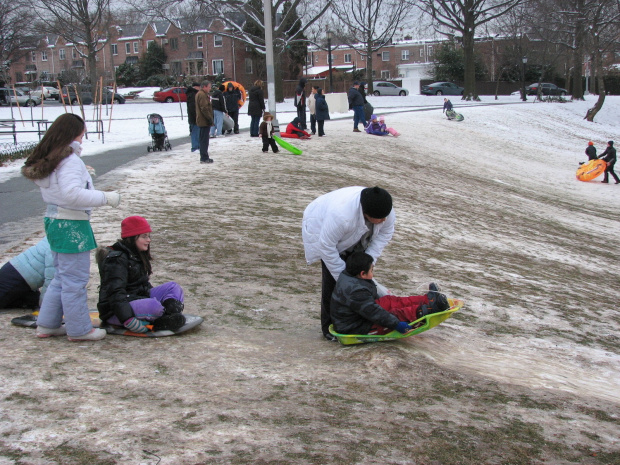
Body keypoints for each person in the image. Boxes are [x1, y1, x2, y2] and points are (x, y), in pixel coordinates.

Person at [21, 113, 121, 341]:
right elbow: (71, 194)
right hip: (72, 225)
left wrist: (84, 176)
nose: (84, 138)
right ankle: (80, 329)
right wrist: (106, 197)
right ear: (74, 134)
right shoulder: (70, 161)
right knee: (75, 279)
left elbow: (62, 187)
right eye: (82, 133)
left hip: (56, 222)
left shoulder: (54, 159)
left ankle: (47, 324)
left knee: (61, 276)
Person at [302, 186, 395, 341]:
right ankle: (329, 329)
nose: (384, 220)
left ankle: (361, 320)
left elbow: (385, 234)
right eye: (380, 218)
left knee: (364, 281)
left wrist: (367, 261)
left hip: (356, 235)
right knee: (335, 286)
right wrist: (345, 279)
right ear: (366, 214)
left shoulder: (385, 211)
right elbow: (326, 247)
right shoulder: (341, 216)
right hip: (324, 232)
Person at [96, 216, 186, 333]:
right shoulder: (117, 260)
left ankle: (169, 315)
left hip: (137, 298)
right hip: (115, 311)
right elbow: (115, 293)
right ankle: (159, 320)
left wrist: (160, 298)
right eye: (144, 236)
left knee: (173, 287)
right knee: (154, 307)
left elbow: (142, 283)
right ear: (132, 237)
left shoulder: (136, 254)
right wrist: (128, 319)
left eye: (148, 236)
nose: (148, 240)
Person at [331, 252, 450, 335]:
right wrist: (396, 325)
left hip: (359, 314)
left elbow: (369, 306)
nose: (373, 273)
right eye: (371, 270)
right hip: (356, 326)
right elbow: (374, 313)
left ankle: (427, 299)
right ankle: (426, 310)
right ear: (362, 274)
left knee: (390, 301)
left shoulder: (348, 276)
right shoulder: (356, 292)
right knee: (395, 314)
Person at [0, 237, 53, 310]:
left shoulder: (58, 235)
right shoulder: (59, 245)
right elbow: (52, 278)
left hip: (25, 281)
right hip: (15, 277)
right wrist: (45, 307)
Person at [196, 80, 214, 164]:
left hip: (203, 120)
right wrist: (209, 118)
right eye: (209, 87)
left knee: (204, 139)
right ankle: (204, 157)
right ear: (204, 86)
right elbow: (204, 108)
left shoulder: (202, 94)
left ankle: (204, 156)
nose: (210, 88)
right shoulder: (202, 95)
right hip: (204, 120)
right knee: (204, 140)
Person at [185, 82, 200, 152]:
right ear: (196, 87)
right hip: (194, 118)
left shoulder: (191, 94)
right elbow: (193, 108)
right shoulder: (192, 95)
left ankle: (197, 146)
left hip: (193, 117)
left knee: (197, 132)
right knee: (195, 133)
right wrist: (196, 116)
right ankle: (195, 147)